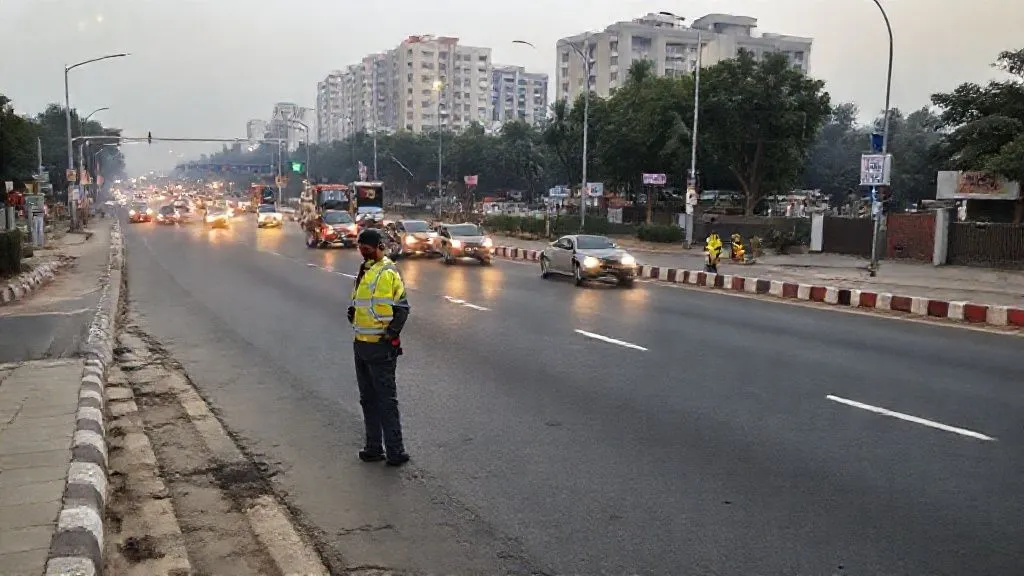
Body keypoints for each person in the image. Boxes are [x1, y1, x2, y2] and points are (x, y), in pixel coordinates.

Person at [347, 228, 411, 466]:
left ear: (378, 247)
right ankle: (374, 447)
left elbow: (402, 309)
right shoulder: (364, 270)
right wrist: (354, 312)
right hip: (361, 346)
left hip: (381, 348)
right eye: (360, 248)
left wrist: (391, 334)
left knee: (386, 400)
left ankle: (395, 451)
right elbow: (363, 303)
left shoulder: (388, 271)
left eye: (366, 248)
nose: (362, 252)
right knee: (367, 400)